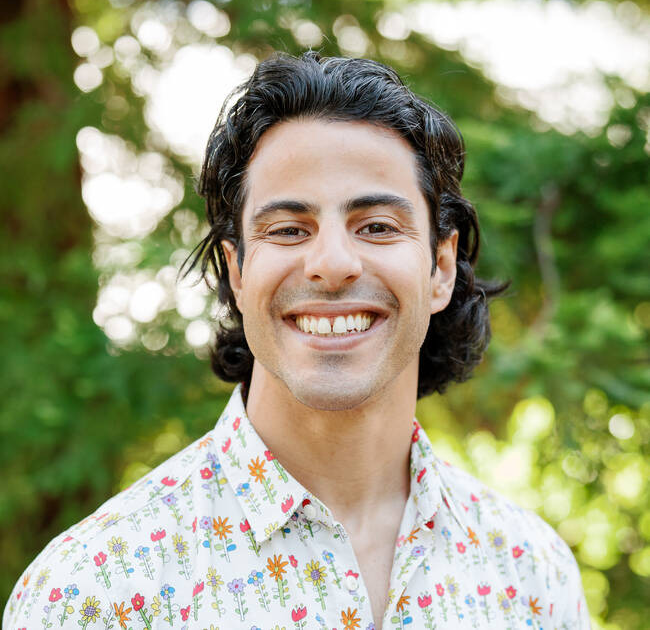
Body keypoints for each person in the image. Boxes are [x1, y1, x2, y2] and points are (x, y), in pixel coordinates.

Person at [4, 52, 589, 630]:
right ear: (237, 273)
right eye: (288, 230)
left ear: (440, 267)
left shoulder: (533, 577)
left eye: (377, 226)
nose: (331, 264)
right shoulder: (93, 593)